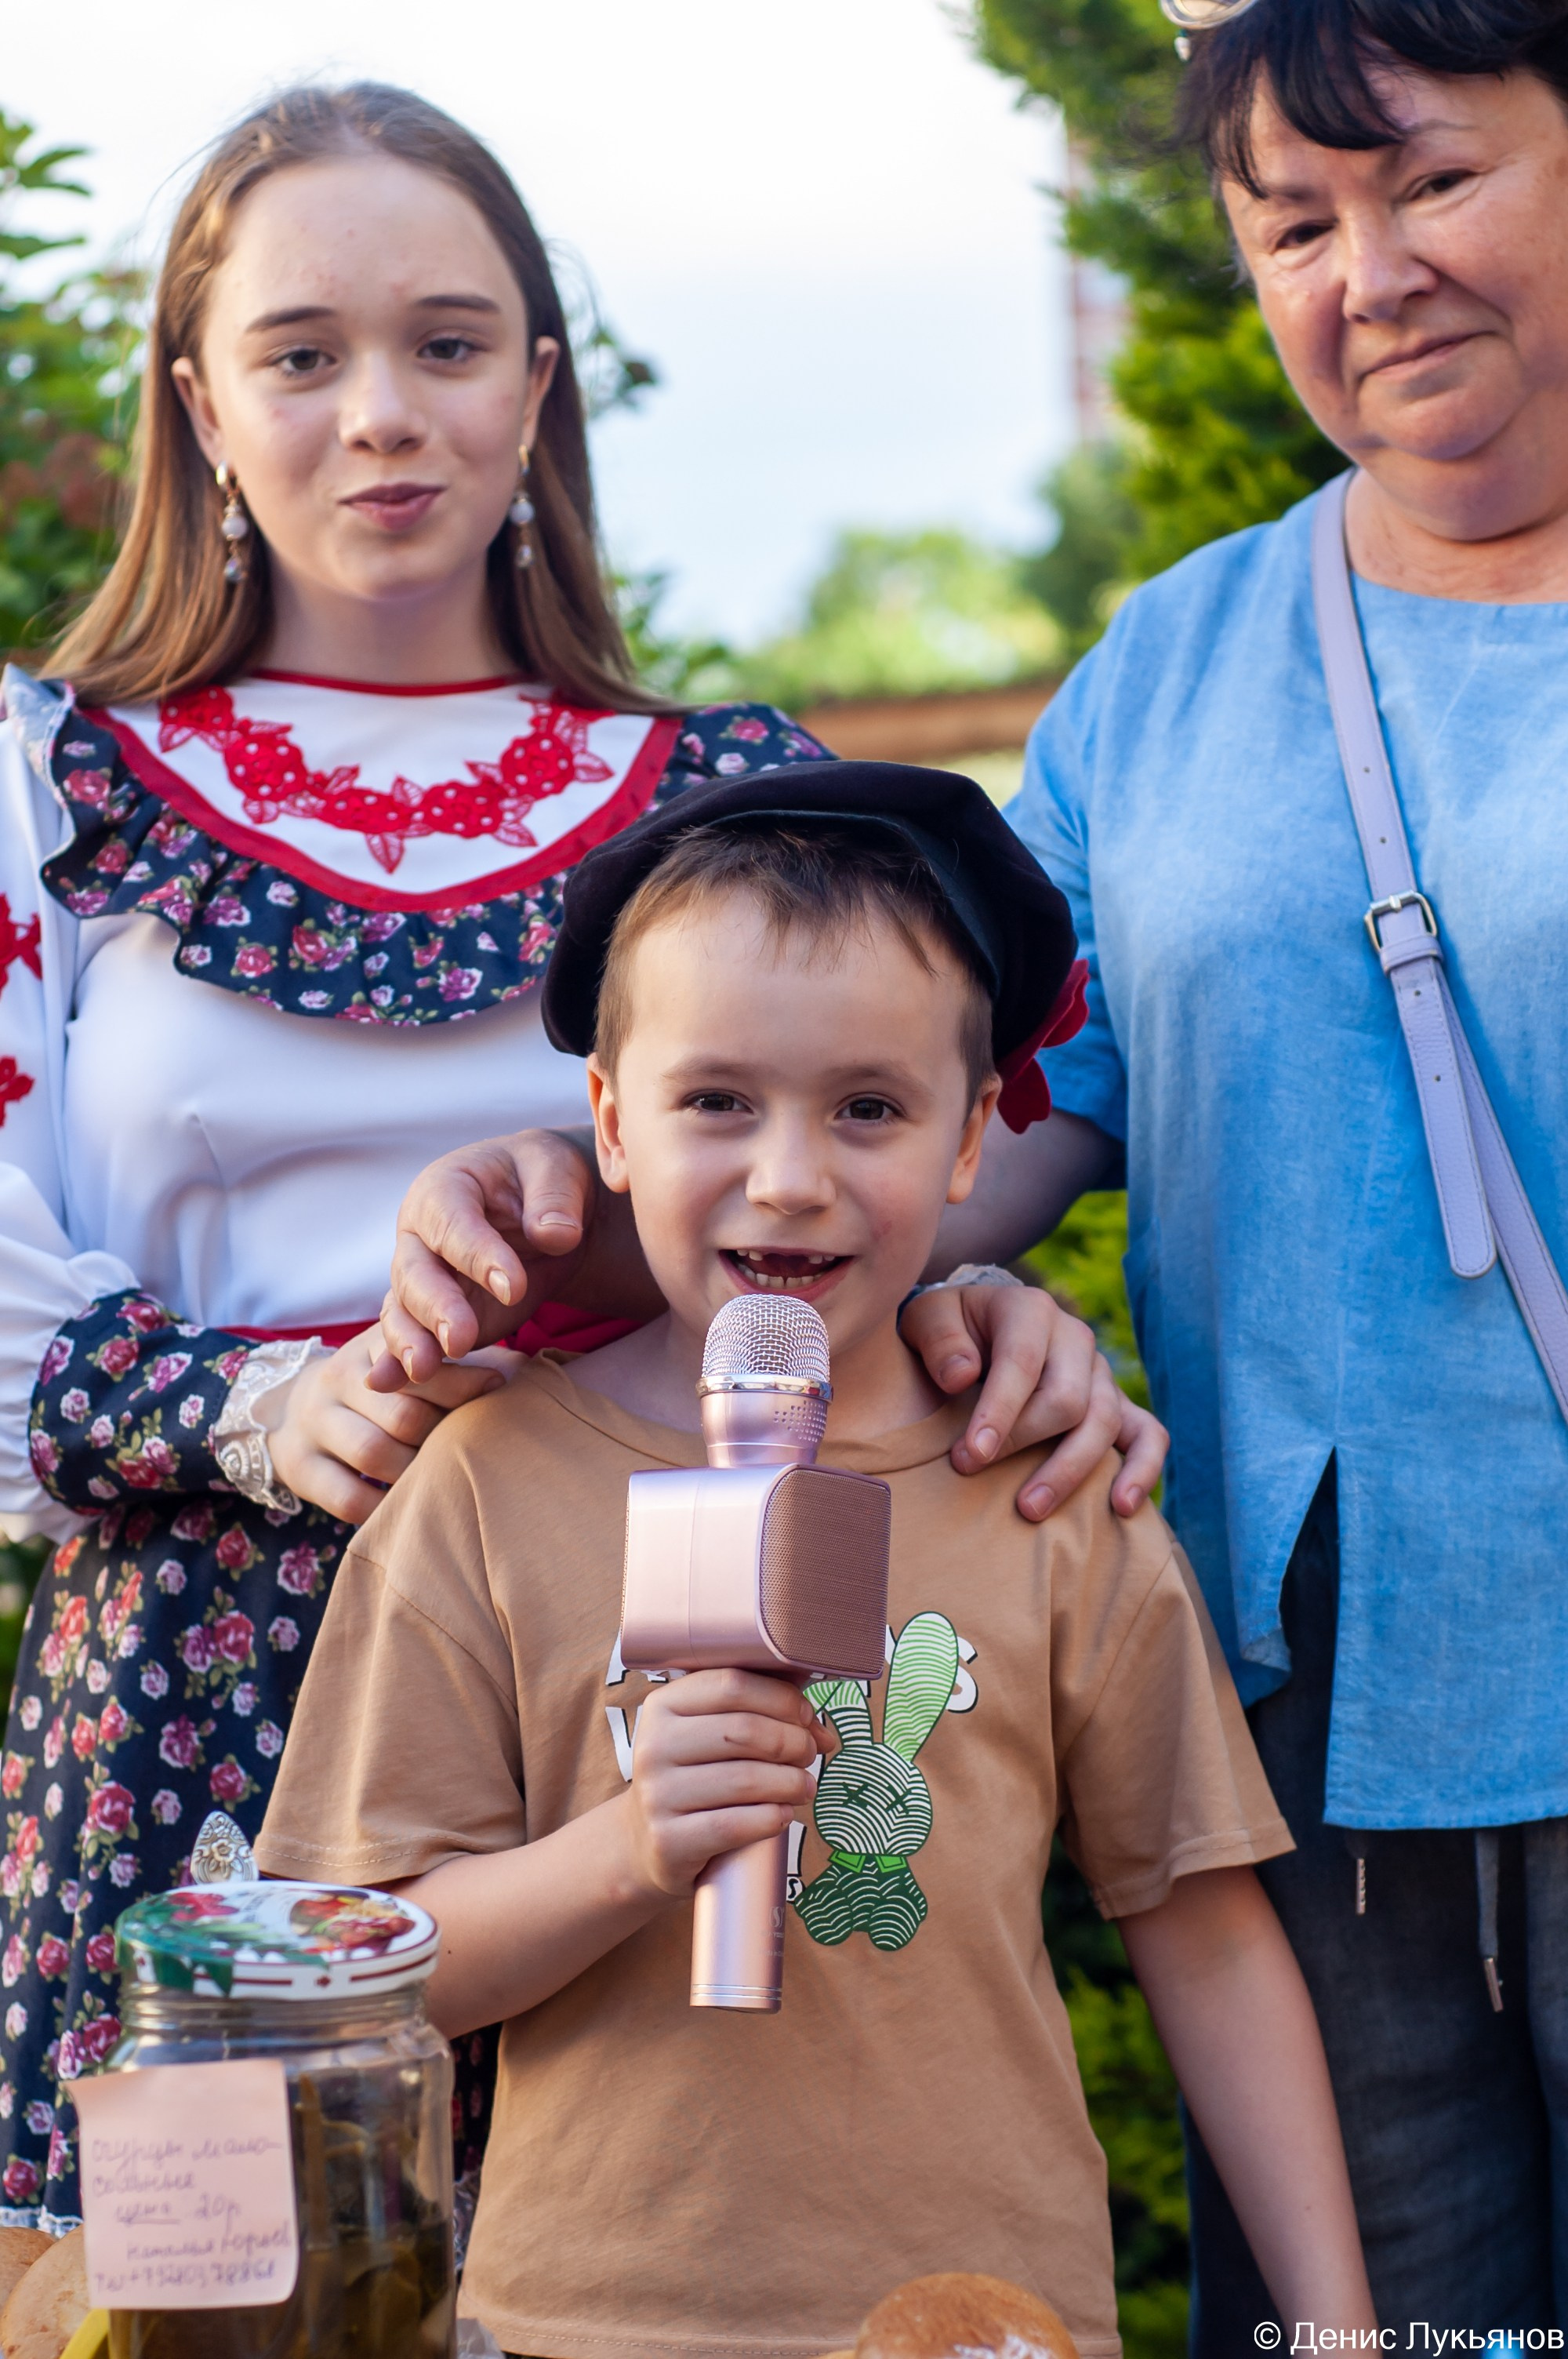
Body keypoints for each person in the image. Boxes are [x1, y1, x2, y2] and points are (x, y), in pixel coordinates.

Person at [380, 0, 1568, 2338]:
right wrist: (574, 1217)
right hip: (1321, 1693)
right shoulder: (1185, 662)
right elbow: (945, 1111)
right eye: (1293, 227)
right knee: (1390, 2316)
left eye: (1435, 183)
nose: (1371, 275)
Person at [0, 79, 1166, 2236]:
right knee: (238, 2295)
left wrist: (971, 1311)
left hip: (672, 1654)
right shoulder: (44, 788)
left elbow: (934, 1145)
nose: (383, 414)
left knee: (670, 2256)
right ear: (195, 397)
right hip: (198, 1688)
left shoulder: (735, 794)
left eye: (450, 344)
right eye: (301, 353)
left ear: (540, 384)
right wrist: (290, 1407)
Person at [259, 765, 1375, 2359]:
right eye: (719, 1100)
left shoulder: (1048, 1490)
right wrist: (633, 1848)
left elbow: (1197, 1926)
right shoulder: (488, 1486)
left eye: (868, 1107)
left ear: (975, 1134)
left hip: (984, 2318)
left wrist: (1333, 2330)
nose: (790, 1173)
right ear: (610, 1124)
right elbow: (360, 1971)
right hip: (587, 2322)